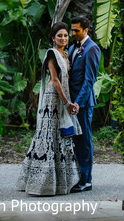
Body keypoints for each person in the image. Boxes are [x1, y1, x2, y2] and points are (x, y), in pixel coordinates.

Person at [16, 22, 81, 195]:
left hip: (62, 99)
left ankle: (59, 183)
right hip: (52, 100)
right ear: (53, 38)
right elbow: (54, 80)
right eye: (59, 35)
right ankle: (41, 183)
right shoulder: (52, 54)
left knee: (60, 136)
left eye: (66, 35)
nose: (63, 38)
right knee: (48, 137)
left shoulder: (65, 55)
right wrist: (67, 103)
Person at [68, 16, 102, 193]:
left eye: (77, 30)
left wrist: (78, 103)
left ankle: (86, 180)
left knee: (84, 141)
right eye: (72, 30)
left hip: (82, 103)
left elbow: (89, 81)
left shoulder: (92, 49)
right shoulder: (73, 47)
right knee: (74, 141)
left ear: (86, 30)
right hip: (70, 102)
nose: (73, 33)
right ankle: (77, 177)